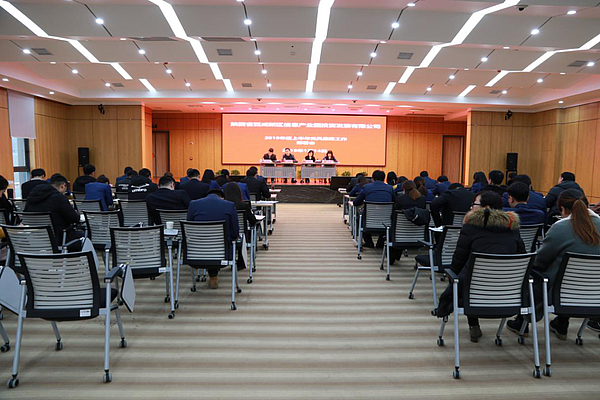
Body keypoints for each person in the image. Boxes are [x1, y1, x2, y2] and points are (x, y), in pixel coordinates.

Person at [507, 189, 600, 340]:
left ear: (562, 209)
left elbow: (540, 261)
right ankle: (561, 323)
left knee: (536, 275)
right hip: (595, 293)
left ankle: (521, 322)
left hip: (559, 293)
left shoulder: (561, 228)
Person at [438, 191, 525, 343]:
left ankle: (473, 325)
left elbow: (458, 260)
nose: (471, 207)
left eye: (474, 204)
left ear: (486, 208)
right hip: (508, 295)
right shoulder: (512, 229)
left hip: (474, 295)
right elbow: (521, 257)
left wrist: (452, 276)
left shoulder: (470, 228)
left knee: (465, 278)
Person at [187, 188, 239, 289]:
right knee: (219, 243)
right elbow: (235, 232)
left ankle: (211, 276)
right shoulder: (229, 205)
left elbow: (189, 229)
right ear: (222, 197)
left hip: (196, 253)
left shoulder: (193, 204)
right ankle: (213, 276)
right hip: (222, 253)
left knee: (207, 242)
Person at [24, 174, 83, 248]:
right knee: (85, 236)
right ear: (63, 186)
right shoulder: (59, 198)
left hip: (35, 239)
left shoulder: (31, 198)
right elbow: (74, 219)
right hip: (59, 239)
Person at [353, 170, 396, 248]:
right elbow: (395, 201)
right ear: (384, 179)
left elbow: (356, 202)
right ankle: (380, 243)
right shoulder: (390, 188)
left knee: (359, 219)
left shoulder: (366, 187)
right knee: (388, 218)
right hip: (386, 221)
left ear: (372, 179)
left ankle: (369, 242)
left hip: (369, 221)